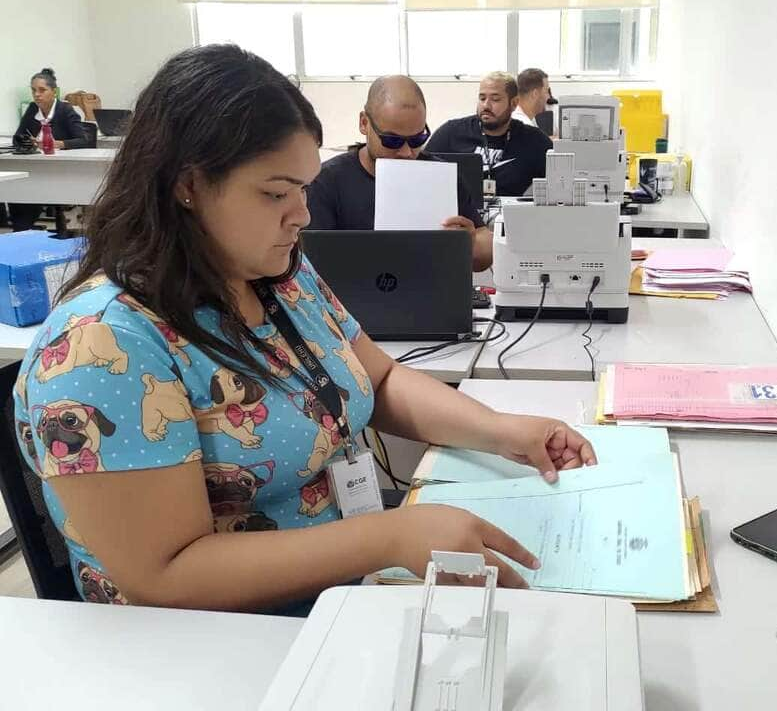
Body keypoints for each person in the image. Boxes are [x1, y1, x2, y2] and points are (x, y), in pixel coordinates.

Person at [12, 45, 596, 615]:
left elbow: (382, 377)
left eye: (303, 188)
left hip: (346, 586)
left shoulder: (276, 271)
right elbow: (163, 576)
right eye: (275, 193)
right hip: (215, 642)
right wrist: (390, 538)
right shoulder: (101, 345)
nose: (303, 214)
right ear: (186, 185)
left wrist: (502, 431)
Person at [306, 76, 492, 272]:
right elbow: (311, 264)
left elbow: (484, 244)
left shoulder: (439, 177)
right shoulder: (326, 182)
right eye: (392, 141)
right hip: (348, 299)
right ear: (364, 123)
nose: (406, 153)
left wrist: (469, 243)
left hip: (428, 293)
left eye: (417, 139)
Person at [425, 72, 552, 197]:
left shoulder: (533, 141)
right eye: (482, 98)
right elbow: (423, 172)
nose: (486, 105)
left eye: (495, 99)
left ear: (513, 103)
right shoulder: (452, 132)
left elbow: (560, 179)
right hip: (461, 214)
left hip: (509, 215)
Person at [9, 67, 93, 231]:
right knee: (19, 193)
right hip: (35, 167)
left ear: (53, 92)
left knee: (33, 191)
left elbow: (84, 140)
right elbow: (17, 137)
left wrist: (58, 144)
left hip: (63, 169)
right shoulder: (33, 109)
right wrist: (28, 142)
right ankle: (21, 231)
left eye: (42, 90)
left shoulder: (65, 110)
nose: (37, 95)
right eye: (33, 90)